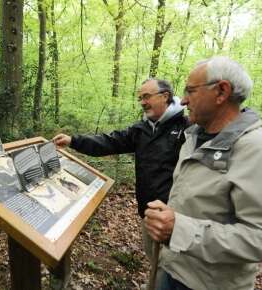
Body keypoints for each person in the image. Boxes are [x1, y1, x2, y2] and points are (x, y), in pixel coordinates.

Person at [144, 56, 262, 290]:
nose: (182, 100)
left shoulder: (259, 148)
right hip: (171, 269)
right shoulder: (193, 139)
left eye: (190, 91)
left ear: (221, 92)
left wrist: (179, 229)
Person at [53, 79, 189, 268]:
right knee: (155, 262)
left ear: (165, 96)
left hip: (177, 218)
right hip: (148, 213)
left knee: (175, 269)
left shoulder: (187, 129)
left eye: (147, 96)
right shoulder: (141, 130)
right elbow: (109, 142)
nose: (142, 102)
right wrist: (73, 141)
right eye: (140, 98)